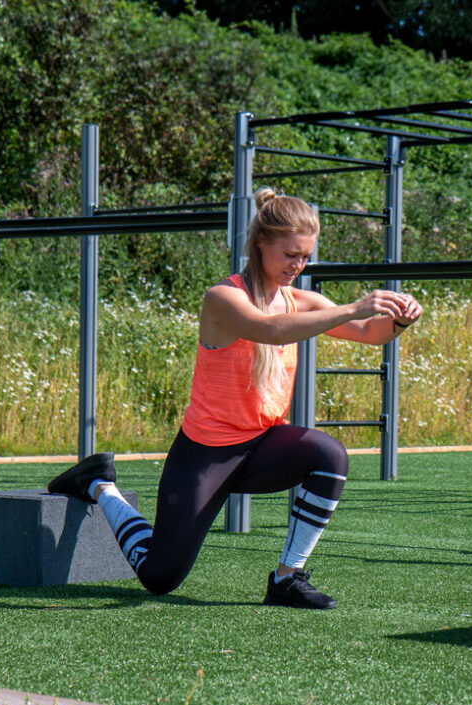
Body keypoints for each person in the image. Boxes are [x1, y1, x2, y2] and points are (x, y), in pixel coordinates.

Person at [47, 188, 422, 609]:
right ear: (261, 243)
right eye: (290, 255)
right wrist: (353, 307)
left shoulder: (302, 300)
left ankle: (286, 579)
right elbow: (269, 329)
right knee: (159, 577)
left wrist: (400, 320)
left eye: (305, 257)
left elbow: (371, 334)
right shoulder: (223, 298)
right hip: (205, 455)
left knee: (329, 455)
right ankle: (100, 484)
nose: (298, 266)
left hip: (262, 446)